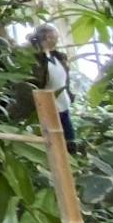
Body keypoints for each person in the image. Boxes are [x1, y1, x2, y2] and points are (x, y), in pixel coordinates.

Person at [31, 24, 76, 152]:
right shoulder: (37, 60)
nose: (57, 39)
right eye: (55, 36)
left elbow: (63, 80)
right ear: (48, 37)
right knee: (55, 143)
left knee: (70, 141)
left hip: (63, 104)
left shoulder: (58, 57)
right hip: (49, 105)